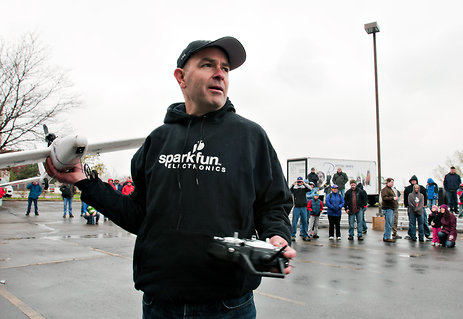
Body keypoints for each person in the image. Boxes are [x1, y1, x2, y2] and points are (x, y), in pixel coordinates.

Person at [45, 36, 295, 318]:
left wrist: (277, 235)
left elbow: (274, 204)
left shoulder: (250, 137)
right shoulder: (157, 141)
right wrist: (84, 182)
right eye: (207, 65)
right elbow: (138, 215)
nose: (219, 73)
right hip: (160, 305)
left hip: (228, 305)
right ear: (181, 77)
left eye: (225, 68)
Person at [403, 175, 430, 240]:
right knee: (412, 223)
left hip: (421, 208)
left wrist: (423, 205)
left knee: (424, 222)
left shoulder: (422, 188)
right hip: (411, 208)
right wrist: (407, 205)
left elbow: (425, 197)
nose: (413, 182)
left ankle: (426, 234)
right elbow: (406, 199)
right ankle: (412, 235)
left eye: (414, 180)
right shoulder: (408, 189)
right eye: (412, 181)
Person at [291, 177, 312, 241]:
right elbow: (288, 191)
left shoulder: (304, 188)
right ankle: (293, 235)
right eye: (298, 181)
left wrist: (304, 183)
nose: (299, 183)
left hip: (304, 207)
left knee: (304, 222)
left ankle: (305, 235)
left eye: (300, 181)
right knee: (294, 222)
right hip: (296, 207)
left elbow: (310, 188)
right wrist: (292, 185)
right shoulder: (294, 188)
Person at [381, 178, 397, 243]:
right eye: (391, 182)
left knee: (389, 223)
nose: (392, 183)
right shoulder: (385, 190)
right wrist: (392, 198)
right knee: (388, 223)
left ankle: (386, 236)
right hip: (388, 208)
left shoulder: (390, 189)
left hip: (391, 208)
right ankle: (387, 237)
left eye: (393, 182)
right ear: (387, 182)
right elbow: (384, 198)